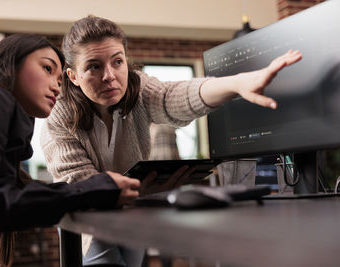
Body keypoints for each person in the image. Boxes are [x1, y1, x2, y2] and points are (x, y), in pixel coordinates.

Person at [40, 16, 302, 267]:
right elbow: (81, 187)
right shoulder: (58, 114)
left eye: (117, 62)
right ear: (73, 76)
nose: (109, 75)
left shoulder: (138, 88)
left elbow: (173, 97)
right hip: (86, 218)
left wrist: (236, 84)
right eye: (94, 66)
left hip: (131, 212)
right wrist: (138, 192)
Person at [0, 33, 140, 267]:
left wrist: (97, 190)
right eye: (47, 68)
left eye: (59, 79)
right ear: (10, 63)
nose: (57, 86)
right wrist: (89, 190)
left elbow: (7, 198)